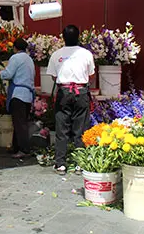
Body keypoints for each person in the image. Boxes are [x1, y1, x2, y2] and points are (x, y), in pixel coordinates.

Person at [47, 25, 95, 175]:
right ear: (79, 36)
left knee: (62, 128)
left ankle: (60, 163)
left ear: (63, 37)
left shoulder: (56, 54)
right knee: (80, 128)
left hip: (64, 92)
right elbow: (91, 75)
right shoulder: (86, 54)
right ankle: (80, 163)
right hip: (81, 92)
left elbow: (54, 76)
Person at [0, 38, 35, 158]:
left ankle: (24, 150)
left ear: (15, 48)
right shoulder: (29, 59)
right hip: (28, 94)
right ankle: (16, 147)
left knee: (19, 123)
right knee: (20, 121)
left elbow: (8, 74)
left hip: (18, 94)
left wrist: (0, 73)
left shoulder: (15, 58)